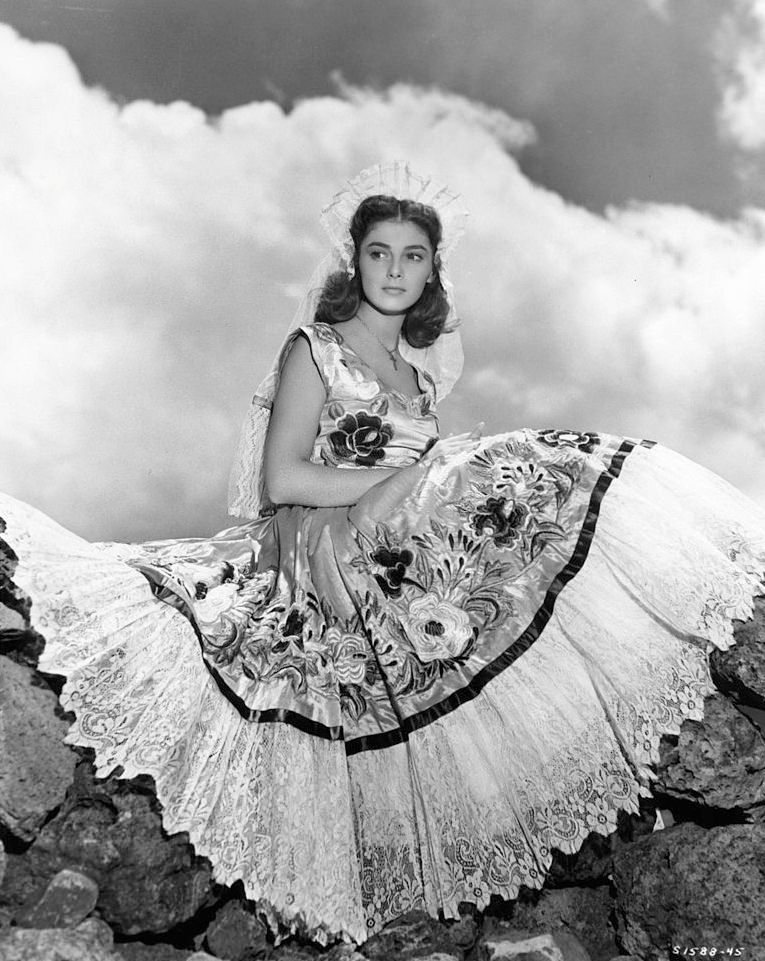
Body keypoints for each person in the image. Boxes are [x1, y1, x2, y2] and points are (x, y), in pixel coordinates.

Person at [2, 162, 765, 947]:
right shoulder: (317, 348)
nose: (394, 269)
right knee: (492, 468)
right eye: (378, 252)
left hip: (390, 537)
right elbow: (282, 476)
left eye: (412, 255)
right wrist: (408, 472)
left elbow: (420, 486)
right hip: (318, 537)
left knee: (515, 511)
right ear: (353, 261)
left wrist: (419, 476)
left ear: (434, 270)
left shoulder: (418, 381)